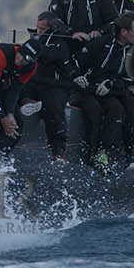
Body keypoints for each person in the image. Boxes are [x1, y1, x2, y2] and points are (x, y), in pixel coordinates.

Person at [72, 12, 134, 168]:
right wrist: (78, 77)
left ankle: (120, 154)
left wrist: (111, 83)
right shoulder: (102, 43)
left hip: (111, 90)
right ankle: (95, 154)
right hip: (90, 88)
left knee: (126, 107)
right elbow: (77, 60)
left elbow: (128, 77)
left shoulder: (132, 50)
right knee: (103, 109)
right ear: (124, 32)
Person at [19, 10, 82, 160]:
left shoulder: (59, 44)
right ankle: (28, 103)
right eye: (37, 27)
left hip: (54, 85)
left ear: (51, 29)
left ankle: (58, 150)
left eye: (42, 29)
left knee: (53, 109)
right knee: (18, 89)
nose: (38, 31)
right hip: (35, 83)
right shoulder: (35, 40)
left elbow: (47, 55)